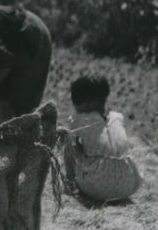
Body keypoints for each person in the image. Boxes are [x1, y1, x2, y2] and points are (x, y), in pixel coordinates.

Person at [59, 74, 142, 203]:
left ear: (85, 104)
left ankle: (69, 185)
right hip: (130, 182)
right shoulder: (118, 117)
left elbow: (71, 150)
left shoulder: (78, 120)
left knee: (69, 141)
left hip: (98, 186)